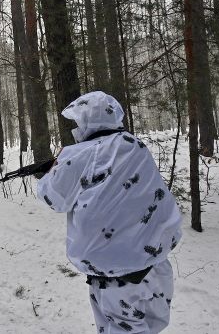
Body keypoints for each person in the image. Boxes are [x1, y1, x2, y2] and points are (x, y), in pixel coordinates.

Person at [37, 91, 182, 333]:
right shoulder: (136, 146)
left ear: (87, 120)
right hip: (156, 266)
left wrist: (51, 173)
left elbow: (54, 198)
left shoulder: (79, 154)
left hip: (116, 275)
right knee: (152, 326)